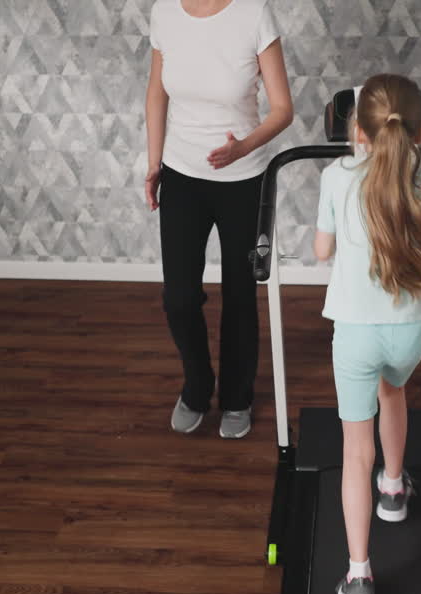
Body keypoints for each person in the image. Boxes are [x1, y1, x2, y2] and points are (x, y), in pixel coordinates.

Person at [313, 74, 421, 594]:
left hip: (354, 336)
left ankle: (359, 577)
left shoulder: (337, 176)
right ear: (420, 131)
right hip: (411, 333)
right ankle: (394, 491)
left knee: (353, 453)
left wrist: (331, 238)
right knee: (394, 394)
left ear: (356, 131)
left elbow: (320, 250)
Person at [145, 0, 293, 439]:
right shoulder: (165, 12)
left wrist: (242, 148)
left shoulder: (254, 12)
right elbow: (157, 91)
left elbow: (283, 109)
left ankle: (236, 397)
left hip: (244, 179)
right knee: (179, 299)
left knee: (240, 295)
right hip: (181, 175)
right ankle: (197, 385)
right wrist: (154, 163)